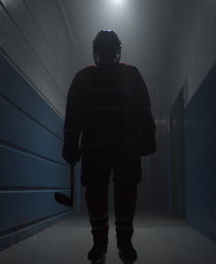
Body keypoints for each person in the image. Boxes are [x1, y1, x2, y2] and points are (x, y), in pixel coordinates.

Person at [62, 29, 156, 263]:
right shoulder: (129, 74)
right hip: (116, 148)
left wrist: (71, 143)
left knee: (113, 195)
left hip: (107, 148)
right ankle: (107, 243)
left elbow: (143, 110)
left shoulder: (86, 77)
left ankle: (116, 243)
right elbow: (73, 116)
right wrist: (70, 142)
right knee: (110, 195)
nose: (106, 54)